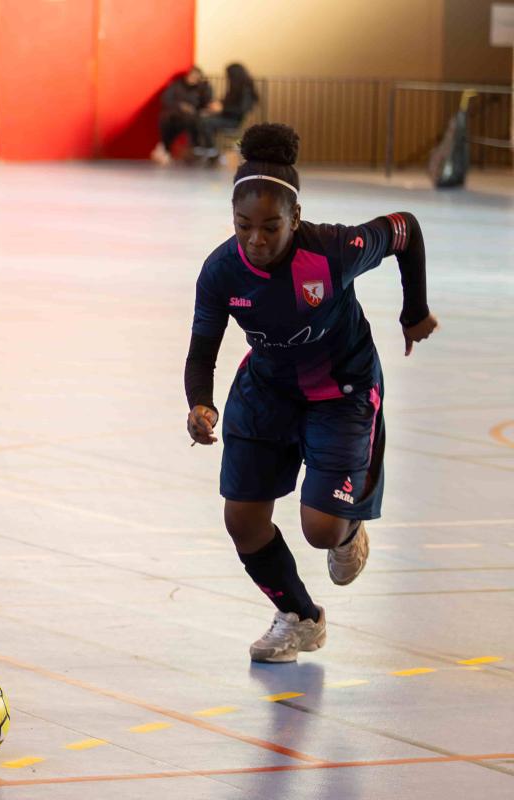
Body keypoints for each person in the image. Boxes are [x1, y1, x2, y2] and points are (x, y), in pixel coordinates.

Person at [184, 123, 437, 663]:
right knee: (242, 520)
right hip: (267, 391)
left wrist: (413, 311)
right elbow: (202, 349)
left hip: (341, 392)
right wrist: (200, 404)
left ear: (295, 220)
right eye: (243, 226)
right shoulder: (221, 271)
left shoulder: (333, 251)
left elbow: (406, 229)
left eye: (271, 227)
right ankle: (299, 617)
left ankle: (348, 532)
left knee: (320, 529)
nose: (256, 239)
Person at [151, 67, 214, 165]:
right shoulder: (176, 85)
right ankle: (166, 148)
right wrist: (180, 106)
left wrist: (197, 109)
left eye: (196, 77)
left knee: (191, 121)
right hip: (174, 115)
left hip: (193, 117)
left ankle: (195, 149)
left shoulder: (203, 88)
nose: (192, 79)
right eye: (191, 76)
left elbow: (207, 104)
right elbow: (165, 99)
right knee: (166, 120)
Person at [197, 63, 258, 162]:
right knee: (201, 118)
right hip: (226, 117)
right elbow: (226, 102)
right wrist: (214, 106)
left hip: (234, 121)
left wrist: (222, 108)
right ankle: (208, 148)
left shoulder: (245, 90)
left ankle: (212, 150)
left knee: (206, 122)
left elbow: (240, 109)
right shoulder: (234, 88)